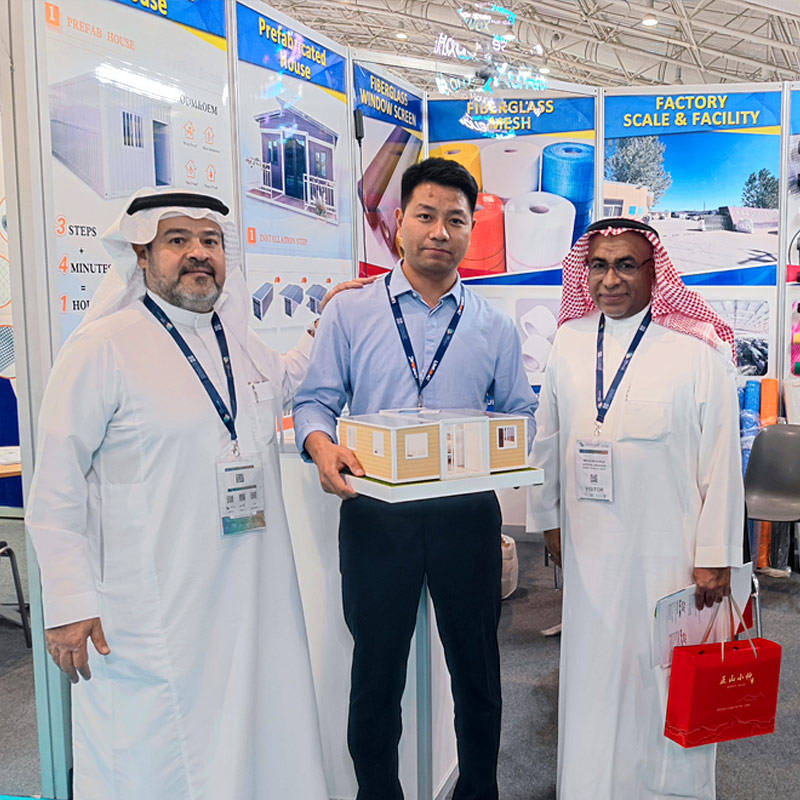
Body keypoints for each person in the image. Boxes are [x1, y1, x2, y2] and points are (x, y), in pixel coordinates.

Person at [25, 188, 372, 799]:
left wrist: (325, 322)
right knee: (160, 750)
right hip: (153, 607)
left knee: (253, 734)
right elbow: (55, 487)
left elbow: (284, 380)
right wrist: (68, 604)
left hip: (249, 593)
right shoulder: (101, 348)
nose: (198, 253)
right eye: (178, 240)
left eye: (210, 241)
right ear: (141, 254)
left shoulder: (232, 338)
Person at [293, 157, 538, 800]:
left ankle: (478, 790)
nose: (439, 232)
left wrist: (504, 447)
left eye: (455, 220)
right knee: (376, 673)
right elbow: (315, 400)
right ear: (400, 222)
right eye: (426, 215)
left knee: (478, 671)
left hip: (466, 513)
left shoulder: (493, 325)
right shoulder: (351, 313)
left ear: (470, 229)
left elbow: (520, 411)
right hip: (377, 514)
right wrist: (321, 447)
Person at [529, 217, 744, 799]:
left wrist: (715, 554)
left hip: (668, 554)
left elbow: (722, 459)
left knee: (665, 680)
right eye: (598, 266)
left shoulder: (698, 348)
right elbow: (548, 436)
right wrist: (548, 518)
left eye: (626, 265)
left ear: (654, 272)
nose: (610, 280)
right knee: (594, 675)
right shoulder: (570, 341)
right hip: (590, 548)